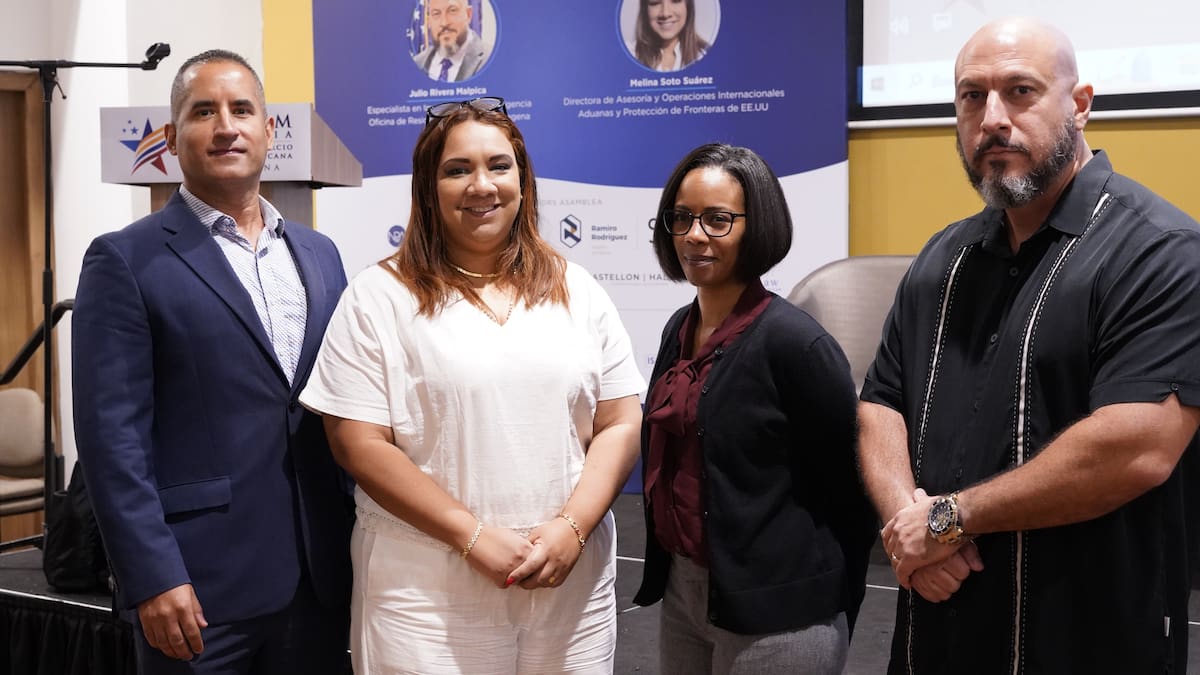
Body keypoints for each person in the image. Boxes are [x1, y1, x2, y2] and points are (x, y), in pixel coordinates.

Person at [858, 17, 1200, 674]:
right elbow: (881, 400)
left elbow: (1138, 447)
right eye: (970, 97)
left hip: (1084, 637)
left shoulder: (1158, 251)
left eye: (1020, 91)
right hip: (936, 627)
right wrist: (908, 524)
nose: (992, 118)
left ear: (1080, 104)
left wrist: (946, 521)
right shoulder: (943, 257)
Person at [298, 96, 645, 674]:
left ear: (523, 179)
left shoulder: (576, 288)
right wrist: (473, 535)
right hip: (425, 594)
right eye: (458, 170)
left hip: (568, 585)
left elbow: (620, 420)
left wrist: (572, 528)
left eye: (498, 166)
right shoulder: (379, 296)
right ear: (428, 188)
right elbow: (356, 441)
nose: (482, 185)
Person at [71, 50, 354, 674]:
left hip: (320, 575)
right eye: (204, 111)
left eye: (242, 109)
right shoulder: (124, 259)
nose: (226, 126)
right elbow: (110, 438)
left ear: (268, 130)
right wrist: (151, 576)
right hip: (197, 591)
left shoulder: (321, 253)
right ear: (172, 138)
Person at [632, 143, 876, 674]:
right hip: (685, 592)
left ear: (756, 225)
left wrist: (835, 607)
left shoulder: (796, 345)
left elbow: (850, 493)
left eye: (718, 220)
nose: (695, 235)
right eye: (682, 218)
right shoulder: (680, 327)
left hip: (781, 613)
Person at [413, 0, 490, 82]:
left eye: (452, 11)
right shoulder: (417, 63)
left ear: (468, 14)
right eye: (436, 13)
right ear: (429, 21)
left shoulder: (491, 60)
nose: (444, 23)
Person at [631, 0, 709, 72]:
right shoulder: (630, 54)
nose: (665, 13)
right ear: (645, 9)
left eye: (675, 1)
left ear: (688, 6)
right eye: (655, 3)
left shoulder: (706, 56)